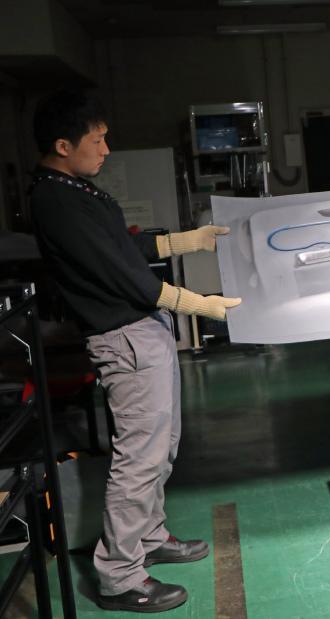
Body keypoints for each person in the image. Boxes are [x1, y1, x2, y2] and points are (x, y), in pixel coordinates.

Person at [29, 90, 242, 612]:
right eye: (97, 141)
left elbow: (125, 248)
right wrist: (198, 304)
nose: (106, 150)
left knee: (162, 446)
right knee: (139, 459)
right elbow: (121, 275)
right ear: (63, 145)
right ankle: (120, 576)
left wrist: (188, 241)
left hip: (143, 329)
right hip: (123, 338)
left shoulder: (77, 188)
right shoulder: (56, 201)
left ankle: (149, 537)